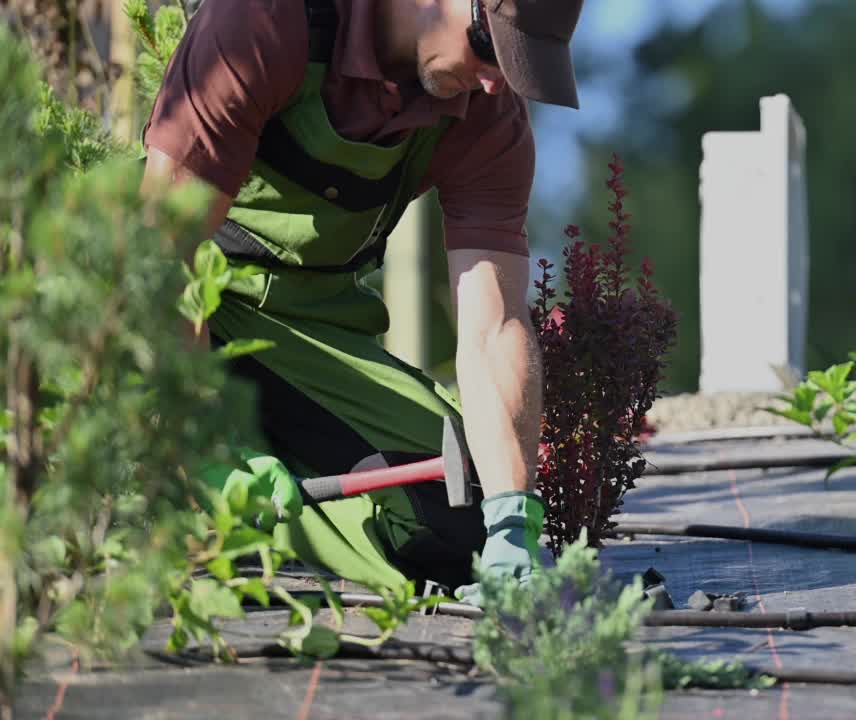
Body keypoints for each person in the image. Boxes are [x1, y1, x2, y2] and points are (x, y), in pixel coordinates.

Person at [139, 0, 584, 602]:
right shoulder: (264, 21)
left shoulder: (487, 117)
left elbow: (494, 322)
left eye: (514, 67)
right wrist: (211, 449)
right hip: (187, 319)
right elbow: (160, 257)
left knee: (465, 519)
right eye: (491, 50)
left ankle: (240, 510)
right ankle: (174, 490)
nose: (493, 81)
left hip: (313, 345)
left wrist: (513, 515)